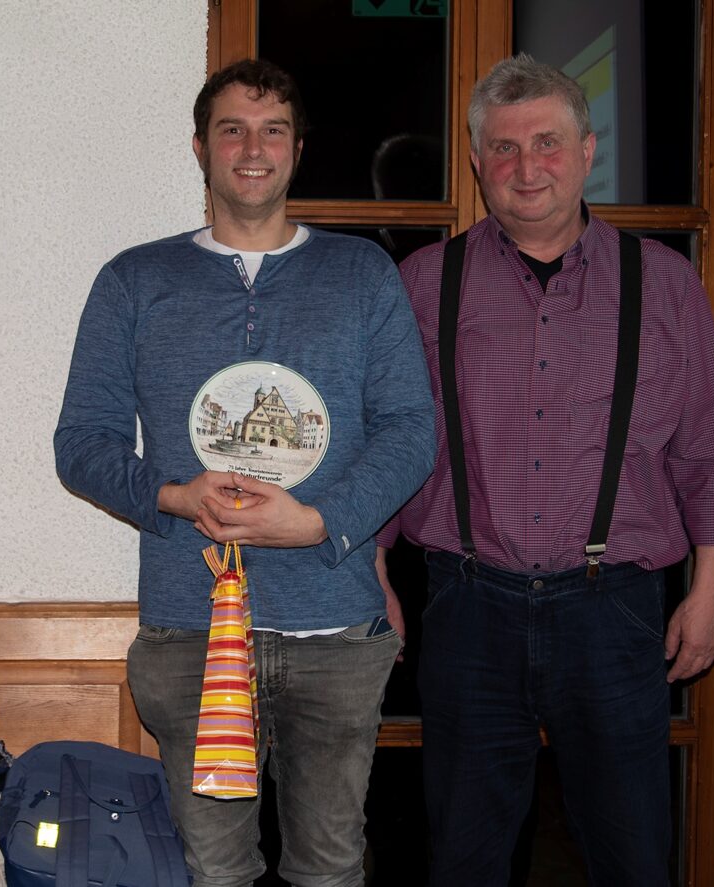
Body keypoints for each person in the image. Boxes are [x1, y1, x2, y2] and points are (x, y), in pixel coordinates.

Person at [54, 59, 435, 886]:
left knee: (330, 866)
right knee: (215, 872)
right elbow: (81, 442)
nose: (251, 148)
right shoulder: (133, 280)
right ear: (200, 148)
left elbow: (412, 432)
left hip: (335, 631)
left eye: (271, 130)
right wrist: (170, 497)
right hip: (192, 632)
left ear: (298, 149)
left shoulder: (363, 275)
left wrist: (319, 521)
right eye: (232, 128)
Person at [375, 55, 714, 886]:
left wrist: (711, 590)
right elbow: (391, 444)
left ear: (588, 151)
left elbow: (707, 451)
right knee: (464, 861)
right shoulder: (425, 286)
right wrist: (375, 571)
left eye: (546, 143)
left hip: (616, 616)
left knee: (631, 859)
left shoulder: (664, 284)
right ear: (477, 166)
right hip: (469, 610)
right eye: (503, 149)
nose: (525, 167)